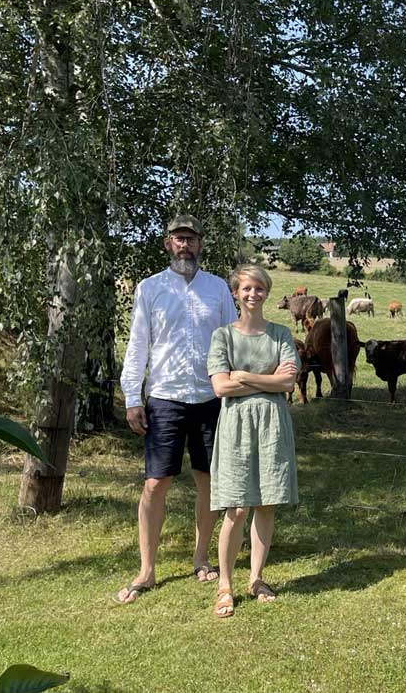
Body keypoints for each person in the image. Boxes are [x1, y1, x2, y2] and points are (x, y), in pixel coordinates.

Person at [116, 214, 238, 603]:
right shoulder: (150, 288)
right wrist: (132, 396)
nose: (185, 245)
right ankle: (147, 570)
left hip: (210, 397)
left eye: (191, 239)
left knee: (207, 481)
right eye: (178, 239)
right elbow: (137, 345)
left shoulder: (218, 289)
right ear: (168, 244)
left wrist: (238, 388)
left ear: (201, 244)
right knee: (155, 483)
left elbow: (231, 341)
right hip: (165, 396)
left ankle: (202, 559)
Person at [206, 264, 299, 618]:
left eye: (259, 289)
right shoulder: (223, 337)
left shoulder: (280, 334)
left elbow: (289, 383)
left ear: (267, 293)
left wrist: (243, 375)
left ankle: (257, 578)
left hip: (273, 425)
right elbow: (220, 386)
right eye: (246, 288)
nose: (252, 294)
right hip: (236, 427)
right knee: (237, 506)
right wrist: (266, 378)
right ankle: (225, 584)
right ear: (236, 293)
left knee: (266, 504)